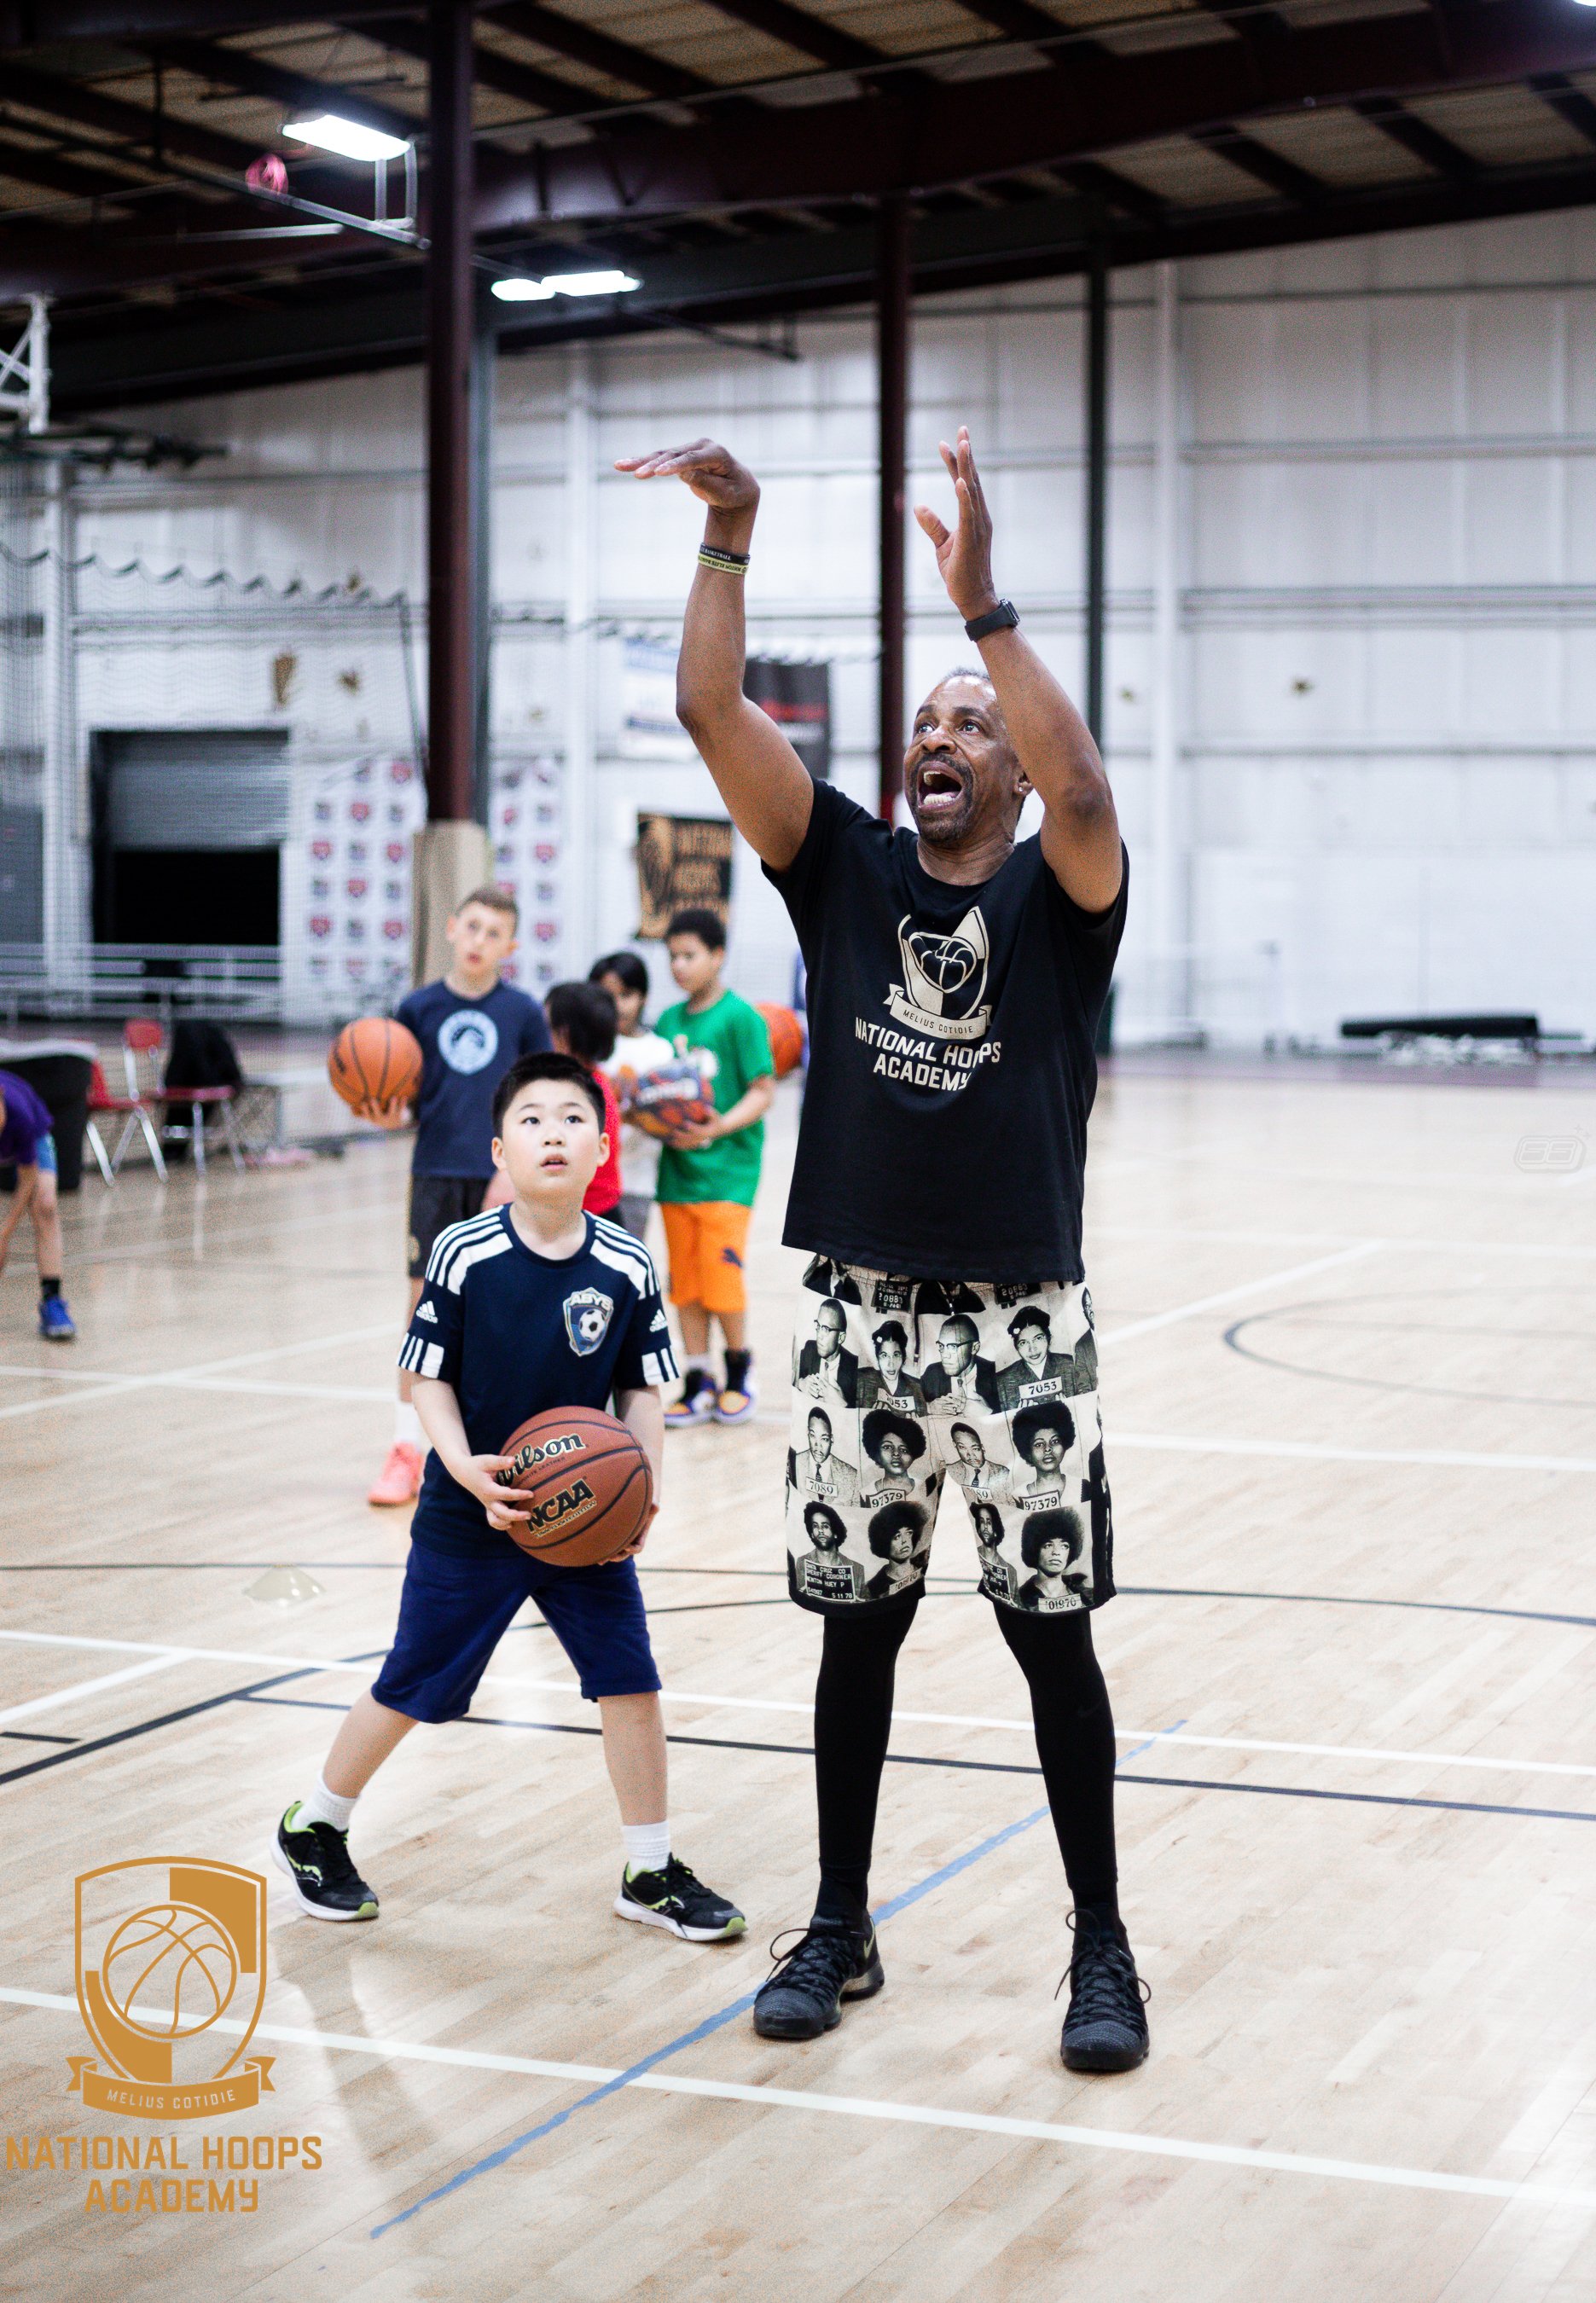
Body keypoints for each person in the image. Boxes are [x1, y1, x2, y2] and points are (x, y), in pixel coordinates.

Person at [621, 421, 1143, 2072]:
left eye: (969, 726)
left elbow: (1086, 786)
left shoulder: (1063, 899)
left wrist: (986, 615)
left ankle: (1102, 1948)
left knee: (1049, 1635)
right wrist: (733, 532)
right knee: (861, 1628)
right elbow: (712, 711)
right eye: (926, 719)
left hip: (1020, 1325)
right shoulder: (842, 870)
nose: (943, 736)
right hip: (858, 1316)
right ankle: (841, 1924)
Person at [272, 1051, 744, 1946]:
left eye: (572, 1117)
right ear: (500, 1149)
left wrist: (641, 1489)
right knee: (416, 1684)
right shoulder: (465, 1251)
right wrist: (460, 1465)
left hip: (582, 1515)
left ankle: (648, 1867)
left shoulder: (627, 1263)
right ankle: (316, 1823)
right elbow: (424, 1380)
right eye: (532, 1120)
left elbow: (644, 1390)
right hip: (471, 1511)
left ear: (603, 1148)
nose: (553, 1132)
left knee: (630, 1679)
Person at [367, 886, 552, 1509]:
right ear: (450, 928)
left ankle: (502, 1449)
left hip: (502, 1175)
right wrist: (384, 1109)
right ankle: (405, 1450)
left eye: (493, 933)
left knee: (501, 1312)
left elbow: (537, 1100)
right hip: (435, 1174)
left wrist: (516, 1169)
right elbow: (402, 1102)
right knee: (422, 1310)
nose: (479, 941)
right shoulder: (417, 1009)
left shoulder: (523, 1012)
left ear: (512, 945)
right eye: (471, 927)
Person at [653, 908, 777, 1428]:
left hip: (728, 1173)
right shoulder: (666, 1022)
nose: (679, 966)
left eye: (689, 955)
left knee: (721, 1278)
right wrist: (653, 1122)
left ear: (717, 956)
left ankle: (738, 1370)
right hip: (677, 1174)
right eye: (673, 956)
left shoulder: (740, 1018)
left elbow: (763, 1091)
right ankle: (697, 1378)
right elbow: (655, 1095)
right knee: (684, 1284)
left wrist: (716, 1128)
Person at [590, 950, 672, 1241]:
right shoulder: (589, 1050)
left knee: (624, 1271)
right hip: (587, 1184)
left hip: (636, 1181)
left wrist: (631, 1115)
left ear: (644, 997)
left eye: (626, 994)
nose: (616, 1005)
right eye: (606, 996)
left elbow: (667, 1118)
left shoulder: (660, 1051)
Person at [0, 1070, 74, 1341]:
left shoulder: (20, 1114)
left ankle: (52, 1301)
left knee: (45, 1204)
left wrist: (4, 1234)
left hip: (34, 1138)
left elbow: (27, 1178)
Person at [545, 980, 624, 1220]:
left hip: (591, 1215)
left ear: (566, 1033)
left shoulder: (585, 1091)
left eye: (547, 1025)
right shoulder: (590, 1081)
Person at [995, 1302, 1077, 1409]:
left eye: (1038, 1338)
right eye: (1023, 1343)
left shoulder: (1070, 1365)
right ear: (1016, 1346)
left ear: (1048, 1338)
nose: (1032, 1349)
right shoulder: (1003, 1381)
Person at [920, 1314, 1000, 1416]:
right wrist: (928, 1407)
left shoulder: (996, 1374)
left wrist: (989, 1413)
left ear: (974, 1348)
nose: (945, 1355)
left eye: (953, 1346)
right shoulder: (933, 1373)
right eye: (941, 1346)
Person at [1018, 1510, 1090, 1616]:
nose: (1056, 1552)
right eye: (1048, 1545)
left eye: (1064, 1546)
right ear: (1034, 1549)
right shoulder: (1020, 1599)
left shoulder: (1085, 1593)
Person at [794, 1501, 864, 1604]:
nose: (820, 1530)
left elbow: (867, 1601)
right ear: (812, 1534)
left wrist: (860, 1604)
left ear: (835, 1533)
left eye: (825, 1526)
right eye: (815, 1526)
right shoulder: (802, 1563)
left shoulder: (857, 1569)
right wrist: (800, 1594)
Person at [796, 1296, 859, 1407]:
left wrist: (843, 1404)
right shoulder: (809, 1350)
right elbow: (790, 1379)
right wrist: (800, 1383)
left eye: (826, 1329)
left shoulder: (854, 1367)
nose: (819, 1335)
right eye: (818, 1326)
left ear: (840, 1337)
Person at [1012, 1401, 1077, 1509]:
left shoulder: (1082, 1487)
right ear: (1028, 1452)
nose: (1047, 1449)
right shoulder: (1018, 1496)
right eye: (1039, 1444)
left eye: (1055, 1441)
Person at [859, 1408, 926, 1508]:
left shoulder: (925, 1488)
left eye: (904, 1450)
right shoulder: (865, 1494)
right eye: (887, 1447)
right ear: (876, 1452)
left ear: (913, 1454)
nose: (896, 1454)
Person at [792, 1407, 861, 1505]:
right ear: (808, 1434)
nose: (817, 1446)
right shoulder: (795, 1463)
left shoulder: (851, 1475)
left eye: (824, 1439)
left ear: (831, 1439)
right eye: (813, 1436)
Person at [854, 1319, 927, 1410]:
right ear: (877, 1357)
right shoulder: (862, 1380)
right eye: (884, 1355)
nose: (891, 1364)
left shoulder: (917, 1388)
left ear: (903, 1357)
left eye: (896, 1355)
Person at [863, 1502, 928, 1602]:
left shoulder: (922, 1568)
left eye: (909, 1533)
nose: (904, 1540)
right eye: (897, 1536)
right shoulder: (873, 1588)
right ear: (884, 1542)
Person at [944, 1422, 1011, 1503]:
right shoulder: (949, 1472)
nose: (971, 1455)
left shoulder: (1002, 1472)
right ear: (955, 1445)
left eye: (975, 1448)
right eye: (962, 1447)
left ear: (982, 1447)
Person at [970, 1500, 1019, 1604]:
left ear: (996, 1531)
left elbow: (1016, 1603)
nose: (985, 1528)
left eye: (989, 1522)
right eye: (982, 1522)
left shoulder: (1010, 1571)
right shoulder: (972, 1556)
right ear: (978, 1528)